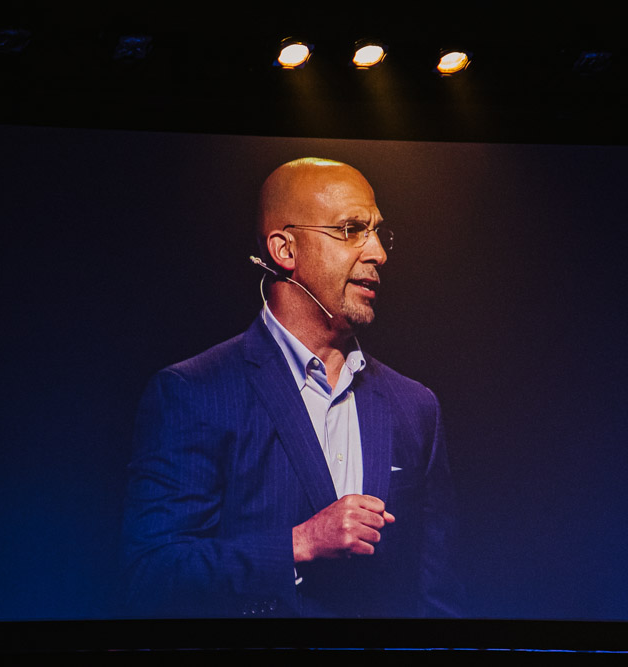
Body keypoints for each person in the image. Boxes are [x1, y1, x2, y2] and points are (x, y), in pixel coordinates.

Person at [121, 157, 462, 618]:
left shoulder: (415, 407)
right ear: (285, 250)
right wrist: (299, 544)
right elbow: (152, 575)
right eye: (352, 229)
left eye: (379, 232)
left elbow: (436, 599)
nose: (378, 253)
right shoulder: (193, 392)